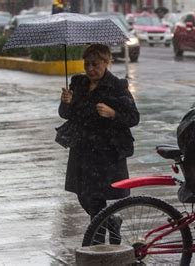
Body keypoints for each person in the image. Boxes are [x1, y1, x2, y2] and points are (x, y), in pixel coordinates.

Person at [58, 44, 139, 243]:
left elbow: (133, 117)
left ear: (106, 62)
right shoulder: (78, 83)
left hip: (106, 151)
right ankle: (112, 221)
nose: (90, 69)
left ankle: (97, 244)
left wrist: (113, 114)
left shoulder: (117, 86)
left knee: (97, 197)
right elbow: (66, 114)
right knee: (84, 196)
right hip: (82, 149)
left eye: (95, 64)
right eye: (87, 64)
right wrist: (66, 102)